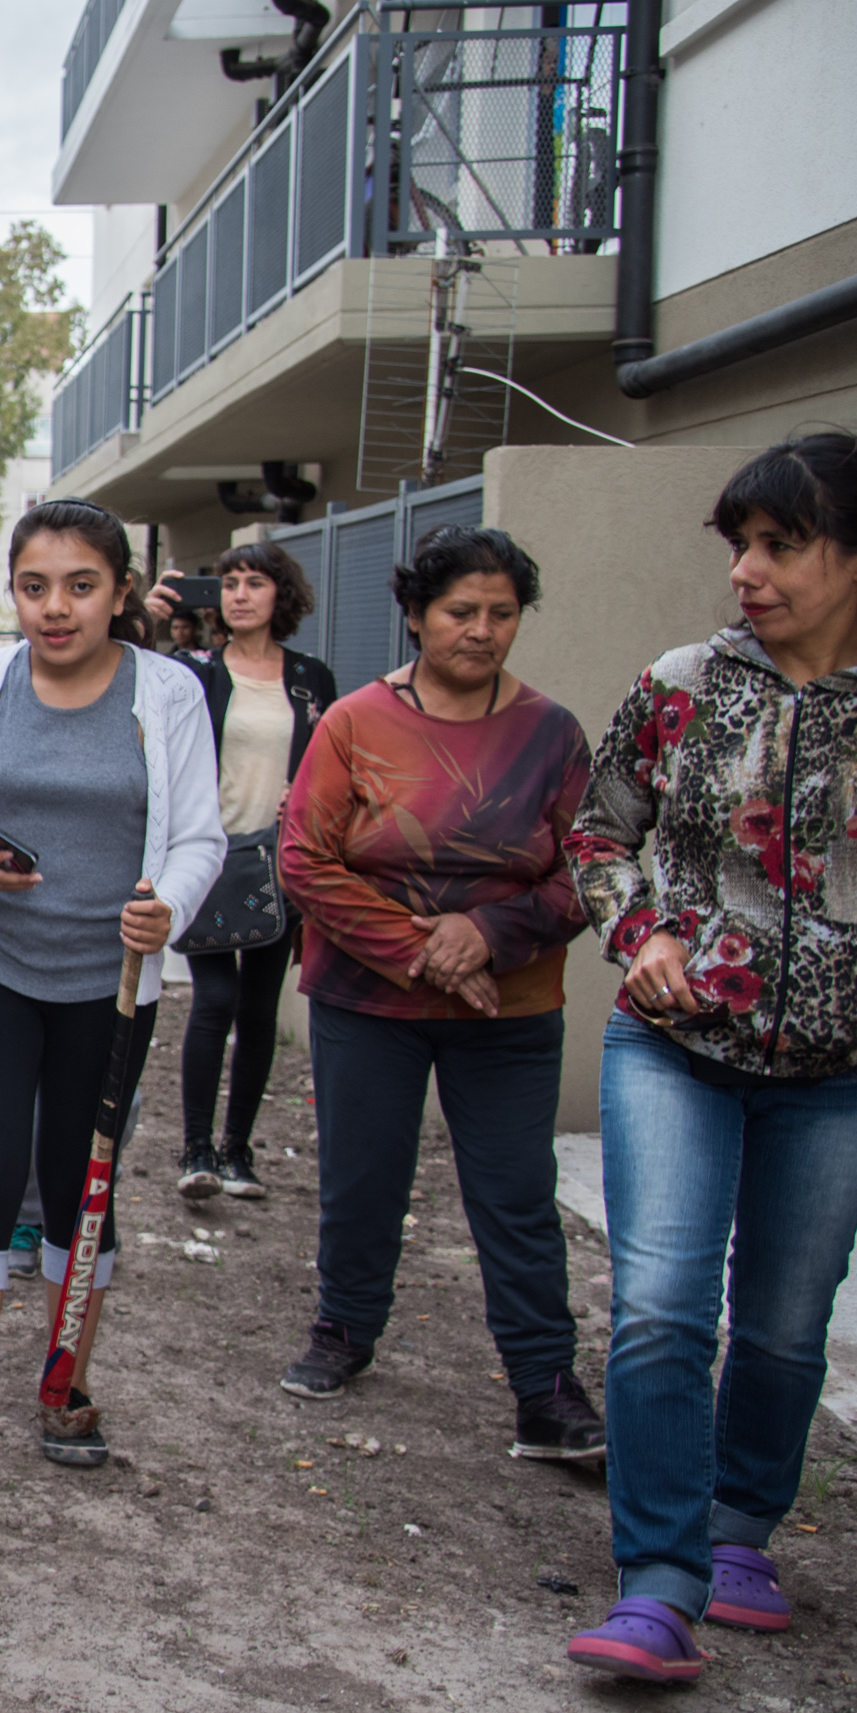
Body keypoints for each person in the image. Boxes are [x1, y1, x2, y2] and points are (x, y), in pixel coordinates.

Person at [562, 431, 857, 1684]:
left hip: (848, 1076)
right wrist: (642, 931)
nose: (750, 574)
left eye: (782, 546)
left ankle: (739, 1533)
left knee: (780, 1324)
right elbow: (598, 833)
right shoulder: (681, 684)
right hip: (672, 1048)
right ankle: (657, 1580)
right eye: (741, 548)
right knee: (664, 1306)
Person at [0, 500, 223, 1489]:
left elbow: (201, 834)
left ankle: (64, 1383)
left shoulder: (165, 694)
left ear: (119, 591)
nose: (55, 606)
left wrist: (167, 906)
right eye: (35, 585)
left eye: (80, 585)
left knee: (84, 1184)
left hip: (110, 981)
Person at [275, 525, 600, 1460]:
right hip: (366, 999)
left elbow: (587, 871)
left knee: (516, 1193)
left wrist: (486, 937)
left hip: (512, 1006)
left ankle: (544, 1385)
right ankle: (344, 1330)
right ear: (416, 615)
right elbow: (306, 861)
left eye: (503, 614)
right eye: (462, 611)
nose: (483, 630)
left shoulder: (552, 733)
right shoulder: (356, 723)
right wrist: (428, 948)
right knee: (363, 1176)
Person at [143, 547, 337, 1202]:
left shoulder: (311, 679)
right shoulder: (194, 672)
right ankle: (196, 1148)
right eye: (228, 583)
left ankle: (238, 1151)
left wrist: (307, 792)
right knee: (215, 999)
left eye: (254, 583)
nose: (239, 595)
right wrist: (149, 612)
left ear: (282, 595)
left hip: (278, 864)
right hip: (208, 860)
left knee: (258, 1010)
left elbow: (335, 764)